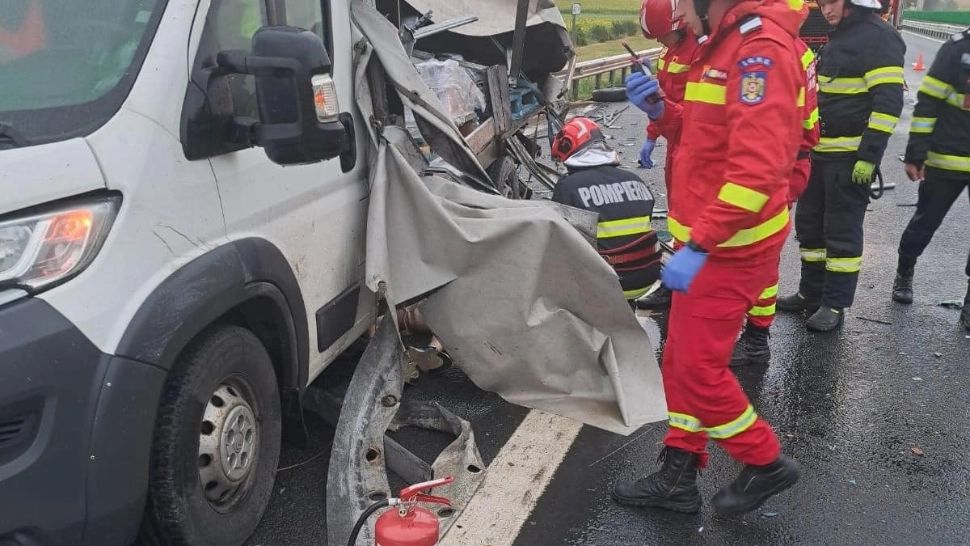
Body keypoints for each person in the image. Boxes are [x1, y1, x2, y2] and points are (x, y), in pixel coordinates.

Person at [611, 0, 804, 515]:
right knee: (680, 360)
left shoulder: (757, 52)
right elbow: (702, 139)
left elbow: (757, 174)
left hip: (728, 249)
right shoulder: (721, 45)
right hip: (713, 243)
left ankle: (764, 462)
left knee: (697, 368)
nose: (678, 20)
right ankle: (678, 471)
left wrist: (699, 245)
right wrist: (660, 113)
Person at [777, 0, 905, 332]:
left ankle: (834, 304)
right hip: (818, 156)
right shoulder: (840, 35)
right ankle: (810, 293)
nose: (825, 9)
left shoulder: (880, 37)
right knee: (810, 227)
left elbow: (888, 104)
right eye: (822, 3)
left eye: (832, 2)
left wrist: (868, 156)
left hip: (849, 160)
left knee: (841, 234)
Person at [731, 37, 819, 365]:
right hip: (790, 162)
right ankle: (754, 333)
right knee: (762, 256)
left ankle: (756, 338)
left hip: (776, 167)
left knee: (762, 258)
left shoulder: (767, 49)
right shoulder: (796, 47)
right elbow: (808, 123)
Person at [892, 27, 970, 332]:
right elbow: (928, 104)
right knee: (925, 221)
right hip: (946, 157)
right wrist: (915, 153)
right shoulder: (957, 50)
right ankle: (904, 272)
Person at [629, 0, 700, 311]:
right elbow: (663, 99)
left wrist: (660, 113)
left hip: (696, 146)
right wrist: (650, 135)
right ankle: (677, 282)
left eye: (661, 35)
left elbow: (695, 118)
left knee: (693, 218)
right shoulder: (669, 52)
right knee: (679, 216)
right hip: (676, 143)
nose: (659, 41)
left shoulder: (699, 52)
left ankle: (688, 286)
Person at [551, 117, 662, 302]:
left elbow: (557, 237)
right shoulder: (635, 180)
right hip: (647, 278)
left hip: (607, 284)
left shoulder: (568, 186)